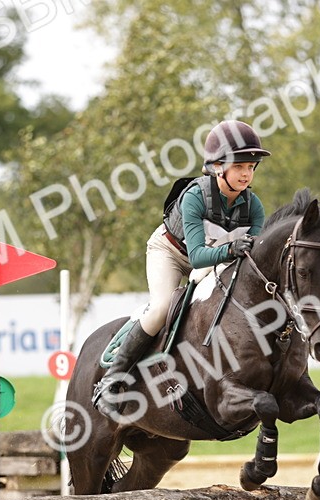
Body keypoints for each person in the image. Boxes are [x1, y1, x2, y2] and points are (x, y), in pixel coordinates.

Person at [93, 120, 271, 414]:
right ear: (217, 167)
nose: (247, 173)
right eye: (239, 166)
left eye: (251, 166)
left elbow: (252, 256)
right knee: (163, 307)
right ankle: (113, 378)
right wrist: (231, 250)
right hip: (172, 253)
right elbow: (198, 257)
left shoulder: (254, 206)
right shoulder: (195, 196)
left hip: (217, 256)